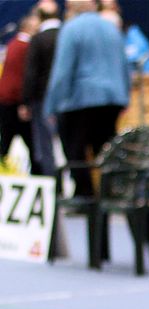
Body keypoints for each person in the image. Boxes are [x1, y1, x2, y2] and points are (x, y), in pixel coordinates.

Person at [44, 0, 129, 197]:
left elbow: (62, 71)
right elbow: (124, 65)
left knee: (75, 151)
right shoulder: (111, 28)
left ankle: (84, 195)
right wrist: (124, 97)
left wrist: (52, 105)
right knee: (106, 149)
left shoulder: (71, 29)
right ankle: (111, 192)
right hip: (112, 99)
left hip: (80, 100)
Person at [22, 0, 61, 177]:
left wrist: (25, 101)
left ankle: (52, 184)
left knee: (45, 145)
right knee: (67, 144)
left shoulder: (38, 39)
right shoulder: (66, 34)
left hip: (42, 99)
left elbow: (31, 74)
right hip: (66, 99)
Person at [0, 13, 42, 174]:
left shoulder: (12, 44)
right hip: (15, 102)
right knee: (31, 143)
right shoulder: (25, 47)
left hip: (7, 100)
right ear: (29, 27)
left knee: (7, 141)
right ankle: (38, 175)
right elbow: (23, 78)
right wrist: (24, 102)